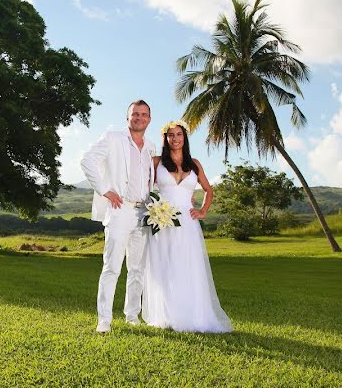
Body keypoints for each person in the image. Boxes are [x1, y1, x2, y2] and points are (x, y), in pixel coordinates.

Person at [142, 121, 232, 333]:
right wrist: (152, 208)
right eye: (170, 135)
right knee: (166, 266)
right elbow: (142, 187)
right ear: (165, 138)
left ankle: (193, 314)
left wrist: (202, 211)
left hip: (188, 224)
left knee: (189, 267)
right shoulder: (156, 162)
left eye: (179, 134)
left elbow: (209, 191)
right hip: (163, 223)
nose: (175, 138)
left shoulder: (195, 164)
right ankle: (166, 314)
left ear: (185, 137)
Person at [80, 100, 156, 333]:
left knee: (137, 269)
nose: (139, 118)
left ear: (149, 119)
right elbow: (87, 160)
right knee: (112, 266)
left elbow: (150, 180)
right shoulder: (113, 138)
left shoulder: (151, 146)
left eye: (144, 115)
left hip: (143, 212)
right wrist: (105, 190)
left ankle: (132, 315)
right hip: (119, 209)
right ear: (128, 117)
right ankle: (104, 320)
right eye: (135, 114)